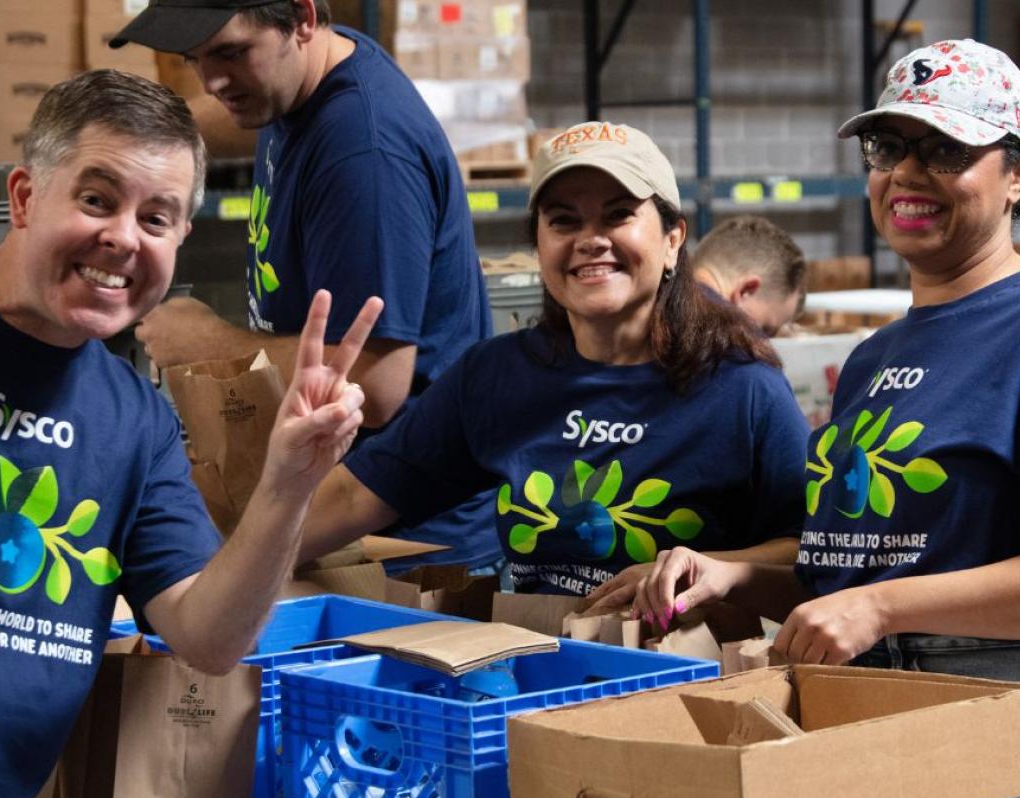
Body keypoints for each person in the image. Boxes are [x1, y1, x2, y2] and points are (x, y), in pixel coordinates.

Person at [620, 40, 1020, 798]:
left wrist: (882, 610)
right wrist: (737, 574)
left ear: (1019, 173)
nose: (907, 173)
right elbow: (860, 565)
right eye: (887, 148)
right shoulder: (877, 357)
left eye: (944, 150)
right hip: (887, 707)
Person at [0, 69, 379, 798]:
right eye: (99, 198)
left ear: (182, 236)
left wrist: (288, 484)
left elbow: (208, 636)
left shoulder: (133, 414)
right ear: (27, 196)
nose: (122, 239)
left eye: (156, 218)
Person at [296, 121, 811, 597]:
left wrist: (714, 567)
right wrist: (229, 567)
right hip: (537, 672)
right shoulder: (497, 377)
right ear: (539, 246)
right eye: (564, 221)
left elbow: (809, 547)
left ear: (672, 239)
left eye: (618, 215)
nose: (590, 240)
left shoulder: (741, 388)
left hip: (683, 682)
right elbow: (354, 496)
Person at [109, 0, 500, 573]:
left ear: (302, 18)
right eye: (196, 58)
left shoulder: (364, 153)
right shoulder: (304, 79)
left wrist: (207, 341)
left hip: (402, 549)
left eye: (231, 53)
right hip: (338, 514)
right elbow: (224, 108)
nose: (214, 80)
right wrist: (146, 140)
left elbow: (376, 379)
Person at [691, 214, 806, 336]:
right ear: (745, 291)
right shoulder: (726, 349)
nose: (764, 344)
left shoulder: (672, 310)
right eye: (765, 331)